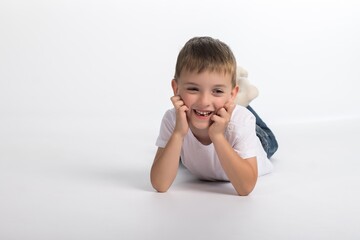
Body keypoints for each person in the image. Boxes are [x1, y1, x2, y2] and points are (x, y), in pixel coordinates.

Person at [150, 36, 278, 196]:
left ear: (232, 94)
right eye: (193, 89)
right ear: (176, 88)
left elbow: (245, 188)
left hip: (250, 137)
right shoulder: (173, 120)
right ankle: (227, 86)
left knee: (271, 142)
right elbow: (160, 184)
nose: (204, 101)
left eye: (216, 90)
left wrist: (217, 136)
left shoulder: (241, 122)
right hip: (214, 113)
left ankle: (242, 99)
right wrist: (178, 134)